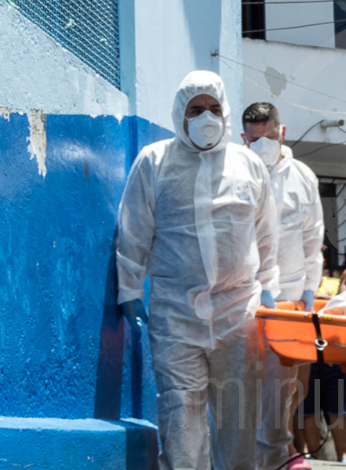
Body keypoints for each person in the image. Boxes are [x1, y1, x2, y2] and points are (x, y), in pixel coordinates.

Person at [116, 71, 279, 469]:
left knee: (238, 417)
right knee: (179, 412)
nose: (207, 117)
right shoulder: (155, 162)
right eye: (196, 109)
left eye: (214, 108)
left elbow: (268, 235)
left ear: (225, 113)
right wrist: (130, 290)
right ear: (180, 114)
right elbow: (134, 229)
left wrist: (272, 291)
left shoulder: (249, 166)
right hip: (176, 312)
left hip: (239, 312)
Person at [241, 102, 325, 470]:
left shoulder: (303, 176)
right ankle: (241, 455)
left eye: (270, 138)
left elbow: (313, 236)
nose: (263, 145)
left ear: (283, 132)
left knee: (283, 383)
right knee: (240, 379)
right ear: (243, 138)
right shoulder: (234, 172)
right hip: (242, 296)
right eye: (254, 139)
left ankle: (276, 453)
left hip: (290, 298)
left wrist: (310, 289)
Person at [295, 364, 346, 464]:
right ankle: (314, 455)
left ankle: (343, 455)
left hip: (335, 359)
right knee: (309, 411)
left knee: (338, 410)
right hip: (308, 360)